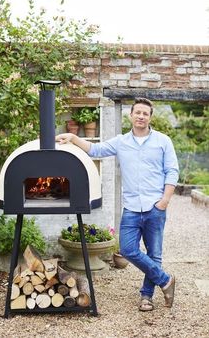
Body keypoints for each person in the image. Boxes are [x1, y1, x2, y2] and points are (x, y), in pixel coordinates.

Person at [56, 97, 179, 312]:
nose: (141, 116)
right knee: (128, 250)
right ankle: (165, 280)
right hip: (131, 207)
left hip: (155, 206)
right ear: (131, 115)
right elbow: (96, 150)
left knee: (154, 254)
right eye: (137, 112)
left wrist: (165, 200)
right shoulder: (121, 142)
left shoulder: (163, 141)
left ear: (150, 117)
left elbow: (172, 171)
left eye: (145, 113)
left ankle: (146, 297)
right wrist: (74, 137)